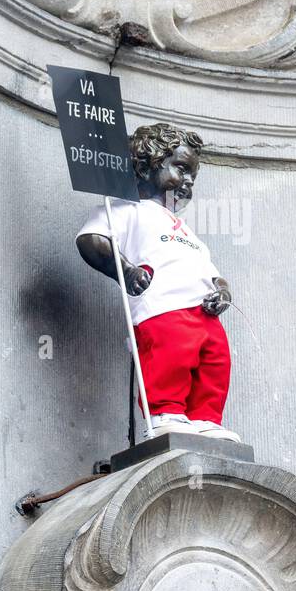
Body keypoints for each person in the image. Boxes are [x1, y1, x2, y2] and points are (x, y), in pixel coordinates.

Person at [76, 122, 240, 441]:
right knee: (169, 357)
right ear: (146, 163)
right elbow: (91, 240)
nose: (188, 181)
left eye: (193, 175)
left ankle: (205, 418)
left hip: (204, 314)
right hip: (164, 308)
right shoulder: (127, 210)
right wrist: (124, 269)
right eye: (181, 168)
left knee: (215, 362)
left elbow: (210, 270)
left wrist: (222, 290)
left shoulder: (184, 230)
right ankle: (165, 412)